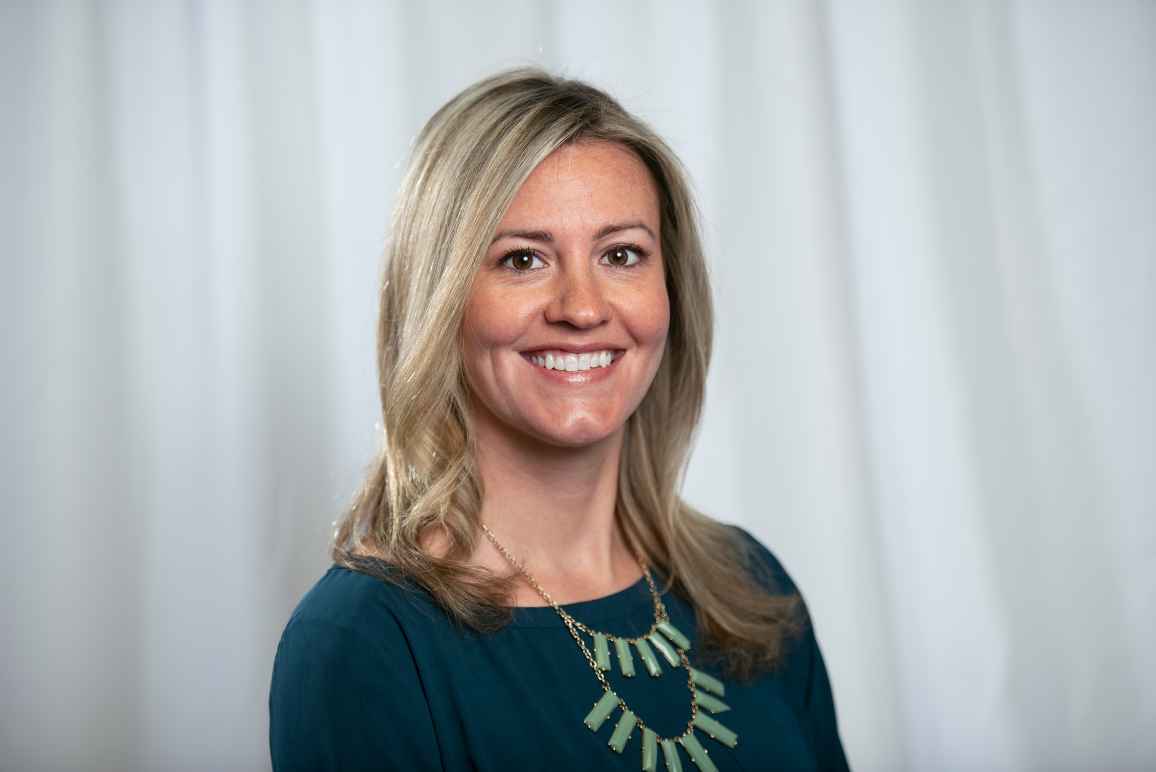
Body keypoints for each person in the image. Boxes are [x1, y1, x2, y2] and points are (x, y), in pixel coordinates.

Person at [268, 67, 849, 772]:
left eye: (622, 254)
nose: (581, 307)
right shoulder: (364, 643)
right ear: (440, 300)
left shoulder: (750, 587)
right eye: (523, 259)